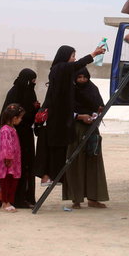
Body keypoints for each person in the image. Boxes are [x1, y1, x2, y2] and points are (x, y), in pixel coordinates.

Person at [35, 44, 106, 186]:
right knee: (56, 146)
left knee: (59, 146)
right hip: (56, 116)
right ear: (65, 56)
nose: (74, 59)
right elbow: (78, 65)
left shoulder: (61, 71)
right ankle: (49, 176)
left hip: (59, 115)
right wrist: (94, 54)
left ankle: (52, 176)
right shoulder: (60, 68)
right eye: (73, 56)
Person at [63, 67, 109, 209]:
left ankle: (93, 198)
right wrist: (80, 116)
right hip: (76, 130)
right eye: (79, 77)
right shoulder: (71, 91)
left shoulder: (92, 89)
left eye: (85, 77)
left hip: (91, 130)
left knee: (93, 162)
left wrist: (95, 115)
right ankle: (75, 200)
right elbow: (65, 110)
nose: (82, 80)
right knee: (76, 163)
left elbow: (99, 106)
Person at [0, 68, 38, 208]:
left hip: (25, 136)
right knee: (10, 171)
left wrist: (35, 109)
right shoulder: (14, 94)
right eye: (32, 82)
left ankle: (24, 198)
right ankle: (12, 199)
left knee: (25, 167)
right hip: (15, 138)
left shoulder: (29, 92)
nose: (34, 85)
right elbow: (11, 115)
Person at [0, 103, 25, 213]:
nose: (21, 120)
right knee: (6, 182)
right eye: (20, 118)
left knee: (13, 181)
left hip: (14, 162)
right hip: (8, 162)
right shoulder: (5, 130)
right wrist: (8, 158)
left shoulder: (12, 129)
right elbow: (5, 145)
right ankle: (5, 202)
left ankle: (8, 201)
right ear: (14, 118)